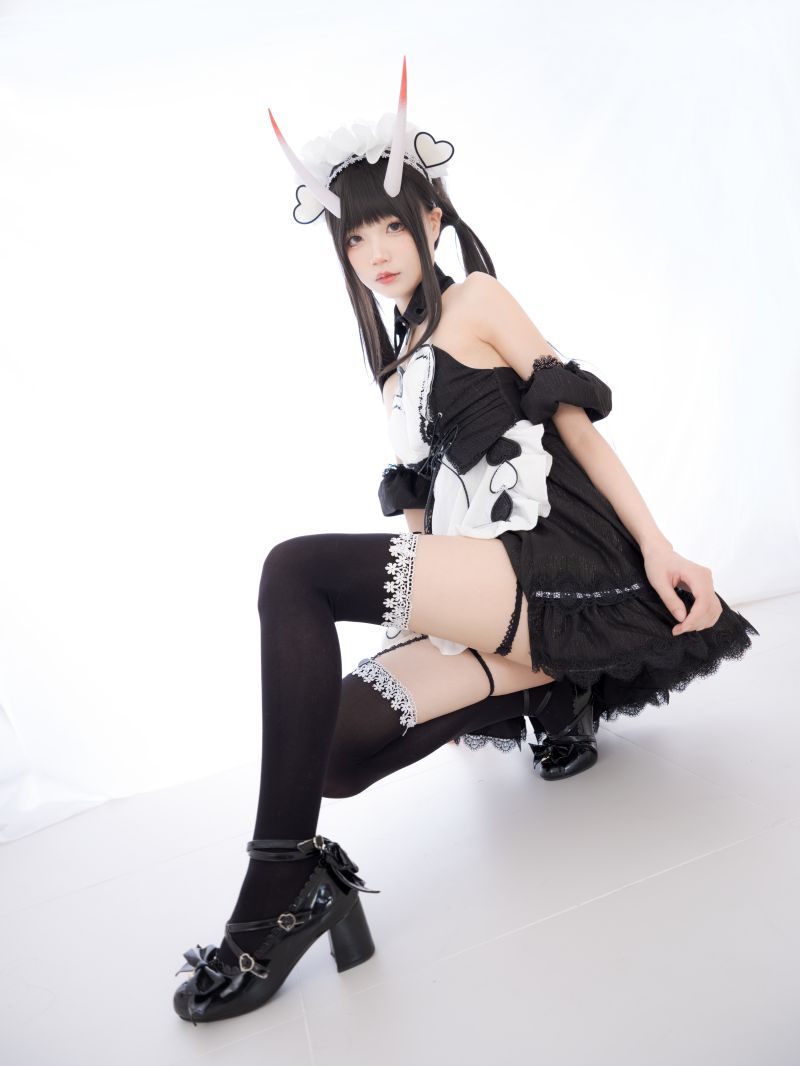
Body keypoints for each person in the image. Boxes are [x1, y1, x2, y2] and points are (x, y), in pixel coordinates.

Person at [172, 57, 759, 1025]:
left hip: (551, 555)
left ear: (432, 223)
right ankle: (545, 690)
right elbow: (419, 514)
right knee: (335, 755)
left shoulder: (478, 300)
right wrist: (415, 628)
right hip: (478, 578)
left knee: (294, 571)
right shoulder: (393, 361)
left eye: (390, 227)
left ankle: (272, 897)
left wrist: (657, 548)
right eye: (353, 236)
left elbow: (575, 429)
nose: (373, 251)